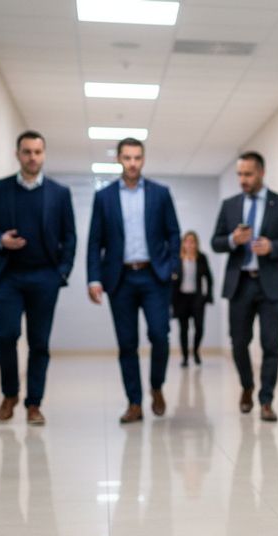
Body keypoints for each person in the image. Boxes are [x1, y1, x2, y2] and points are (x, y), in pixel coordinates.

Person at [0, 130, 77, 426]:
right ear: (17, 154)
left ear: (44, 154)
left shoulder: (59, 193)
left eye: (37, 152)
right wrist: (0, 239)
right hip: (8, 276)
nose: (32, 157)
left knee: (39, 343)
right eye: (27, 152)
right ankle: (10, 395)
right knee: (6, 336)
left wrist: (62, 272)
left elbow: (70, 236)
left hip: (45, 277)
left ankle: (34, 404)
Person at [87, 138, 181, 424]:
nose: (132, 163)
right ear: (118, 159)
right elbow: (95, 241)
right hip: (120, 278)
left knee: (159, 336)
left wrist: (172, 266)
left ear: (143, 159)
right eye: (127, 157)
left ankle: (156, 386)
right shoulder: (104, 197)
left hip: (154, 277)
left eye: (137, 157)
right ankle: (134, 403)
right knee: (127, 344)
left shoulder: (160, 194)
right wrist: (93, 278)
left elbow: (173, 233)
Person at [210, 151, 278, 422]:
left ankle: (266, 400)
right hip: (239, 285)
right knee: (239, 343)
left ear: (262, 172)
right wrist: (232, 240)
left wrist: (273, 246)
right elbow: (216, 242)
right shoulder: (230, 205)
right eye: (240, 174)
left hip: (271, 285)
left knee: (270, 344)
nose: (243, 180)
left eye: (248, 174)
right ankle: (247, 386)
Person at [171, 231, 214, 367]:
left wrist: (208, 296)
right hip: (181, 299)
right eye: (187, 241)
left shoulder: (202, 258)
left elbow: (209, 278)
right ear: (183, 244)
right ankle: (184, 357)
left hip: (197, 298)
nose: (190, 244)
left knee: (199, 327)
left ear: (196, 244)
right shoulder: (177, 259)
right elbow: (171, 281)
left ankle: (195, 351)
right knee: (183, 329)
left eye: (192, 242)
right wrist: (170, 300)